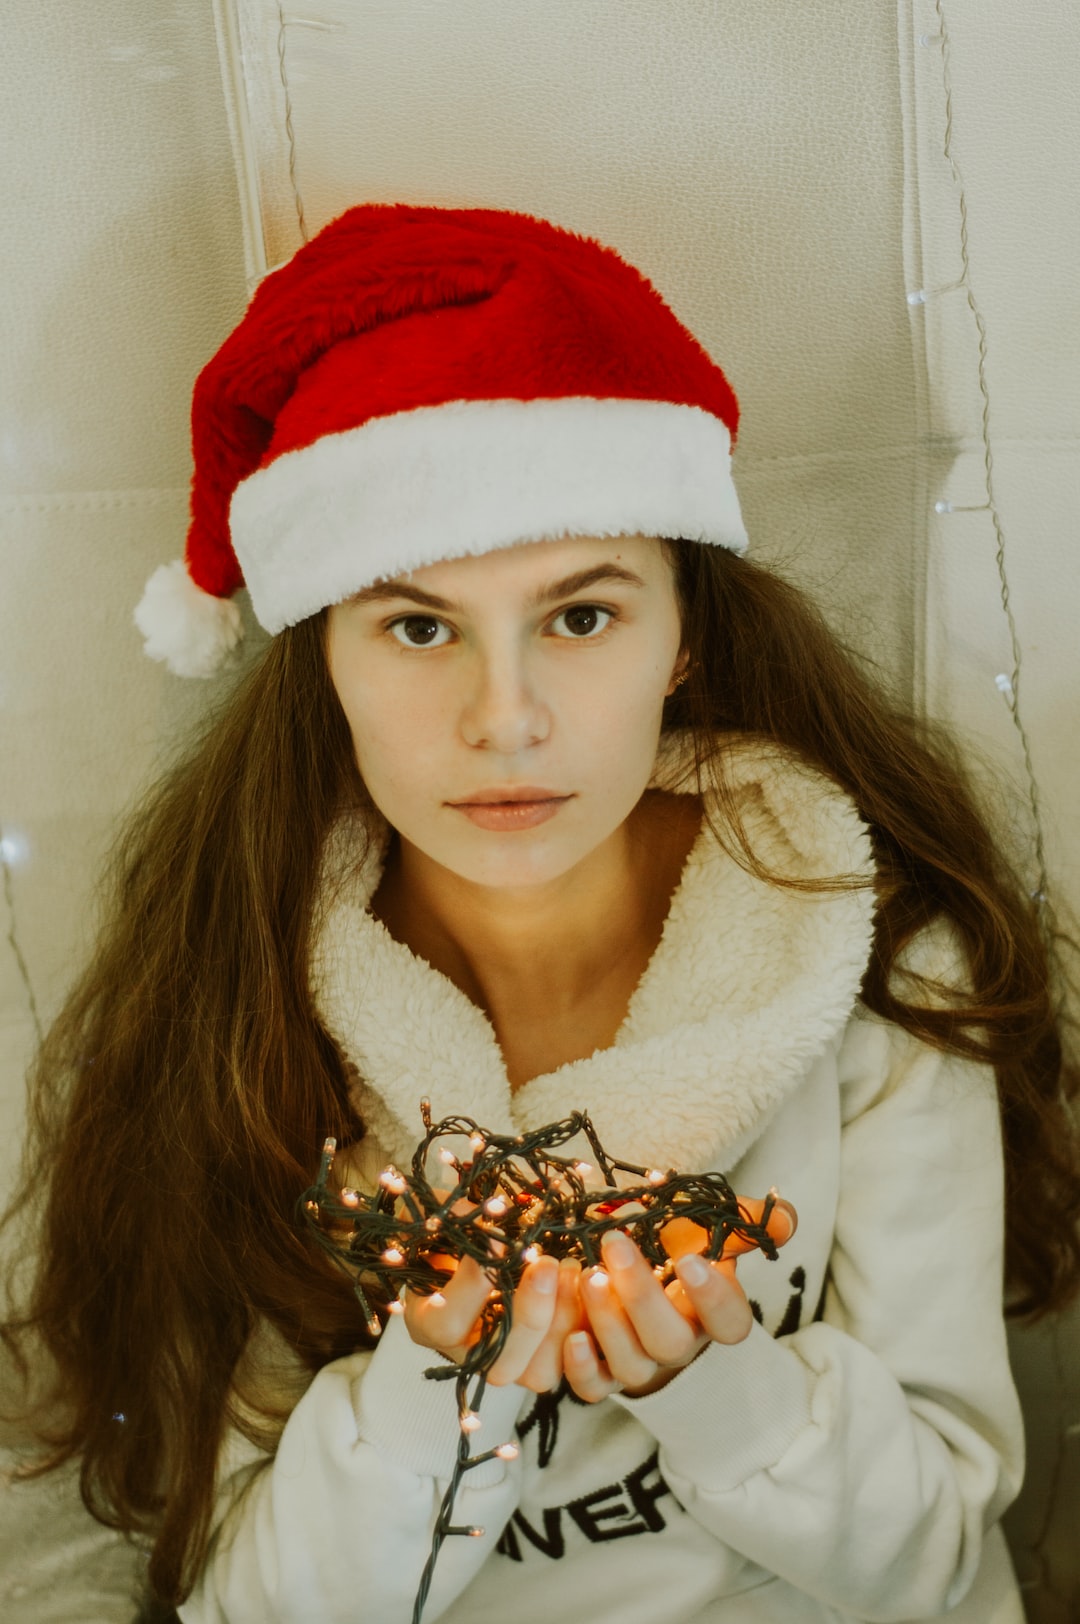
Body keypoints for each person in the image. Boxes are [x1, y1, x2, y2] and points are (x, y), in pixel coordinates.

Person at [2, 202, 1078, 1624]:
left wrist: (724, 1387)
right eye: (418, 626)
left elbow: (946, 1564)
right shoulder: (248, 1014)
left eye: (580, 617)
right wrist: (439, 1386)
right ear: (319, 650)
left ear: (682, 634)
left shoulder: (877, 965)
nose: (503, 722)